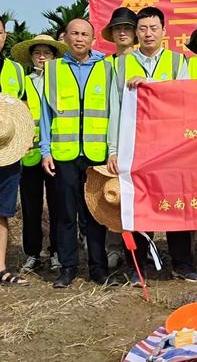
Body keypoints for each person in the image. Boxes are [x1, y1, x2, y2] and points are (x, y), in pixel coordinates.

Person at [107, 6, 197, 285]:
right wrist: (113, 149)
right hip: (135, 147)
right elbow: (116, 108)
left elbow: (182, 98)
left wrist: (150, 84)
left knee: (176, 204)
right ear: (136, 33)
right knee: (137, 205)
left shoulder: (177, 62)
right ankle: (138, 265)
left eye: (153, 28)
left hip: (171, 147)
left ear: (164, 31)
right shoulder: (122, 64)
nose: (148, 34)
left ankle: (182, 263)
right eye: (143, 29)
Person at [40, 19, 114, 288]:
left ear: (93, 39)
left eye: (85, 34)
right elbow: (45, 114)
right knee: (66, 213)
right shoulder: (53, 70)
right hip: (64, 152)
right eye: (75, 34)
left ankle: (98, 268)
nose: (80, 38)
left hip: (96, 153)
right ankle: (68, 268)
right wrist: (45, 150)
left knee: (95, 213)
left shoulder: (108, 68)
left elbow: (114, 111)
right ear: (66, 38)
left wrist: (112, 150)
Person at [11, 34, 68, 272]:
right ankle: (33, 253)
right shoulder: (24, 82)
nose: (42, 56)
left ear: (55, 57)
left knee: (57, 205)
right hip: (29, 152)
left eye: (47, 52)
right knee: (31, 206)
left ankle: (56, 252)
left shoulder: (62, 81)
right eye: (37, 53)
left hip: (56, 151)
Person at [101, 7, 137, 270]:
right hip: (113, 140)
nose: (122, 32)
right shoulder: (104, 64)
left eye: (127, 28)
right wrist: (110, 147)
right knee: (113, 196)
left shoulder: (144, 62)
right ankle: (113, 248)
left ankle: (142, 250)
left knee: (140, 197)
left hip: (142, 143)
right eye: (117, 28)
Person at [0, 18, 30, 286]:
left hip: (7, 149)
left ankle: (1, 268)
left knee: (2, 210)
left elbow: (23, 105)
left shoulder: (16, 70)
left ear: (5, 35)